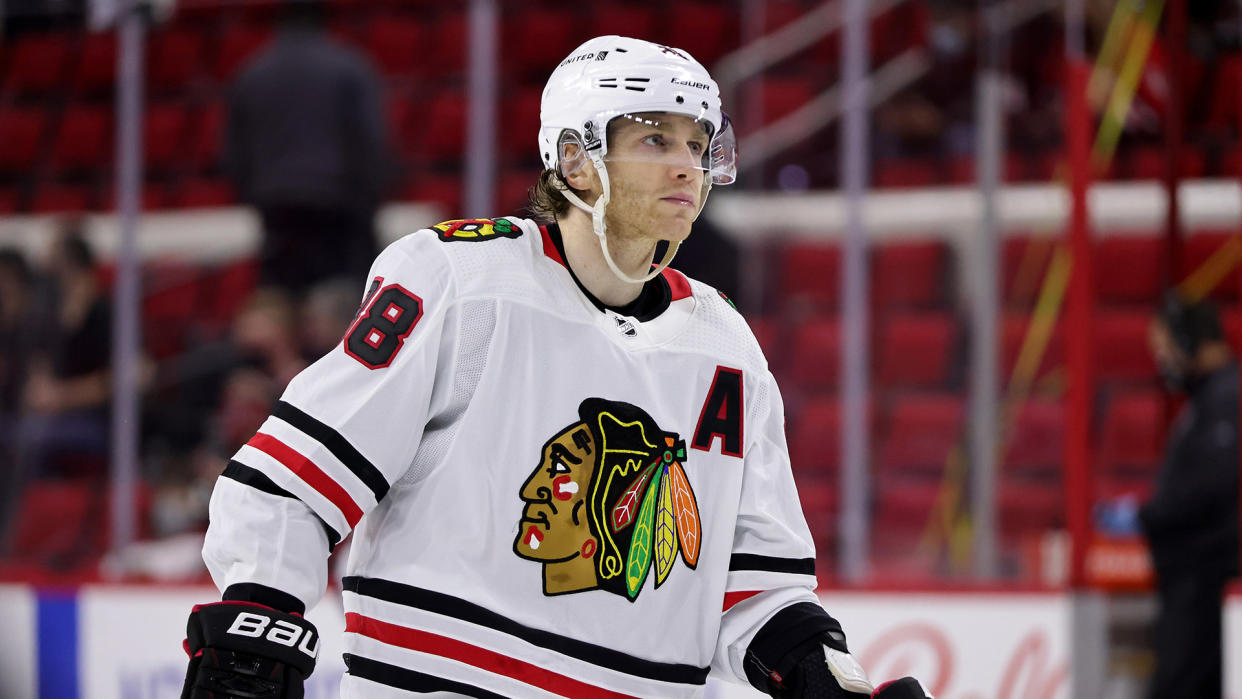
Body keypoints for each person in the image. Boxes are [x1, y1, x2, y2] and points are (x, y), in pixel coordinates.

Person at [181, 36, 928, 699]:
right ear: (575, 158)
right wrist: (260, 615)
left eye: (698, 143)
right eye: (655, 139)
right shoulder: (456, 280)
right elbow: (293, 480)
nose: (686, 166)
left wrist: (824, 679)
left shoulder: (724, 347)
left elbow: (754, 587)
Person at [224, 0, 390, 296]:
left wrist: (258, 195)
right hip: (338, 204)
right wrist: (371, 198)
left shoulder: (251, 72)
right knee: (343, 296)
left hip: (276, 206)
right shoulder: (349, 67)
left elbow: (235, 153)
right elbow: (371, 141)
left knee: (284, 296)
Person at [1139, 291, 1240, 699]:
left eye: (1166, 349)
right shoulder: (1210, 400)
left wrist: (1150, 515)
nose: (1164, 362)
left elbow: (1208, 487)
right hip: (1192, 584)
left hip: (1203, 582)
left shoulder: (1226, 399)